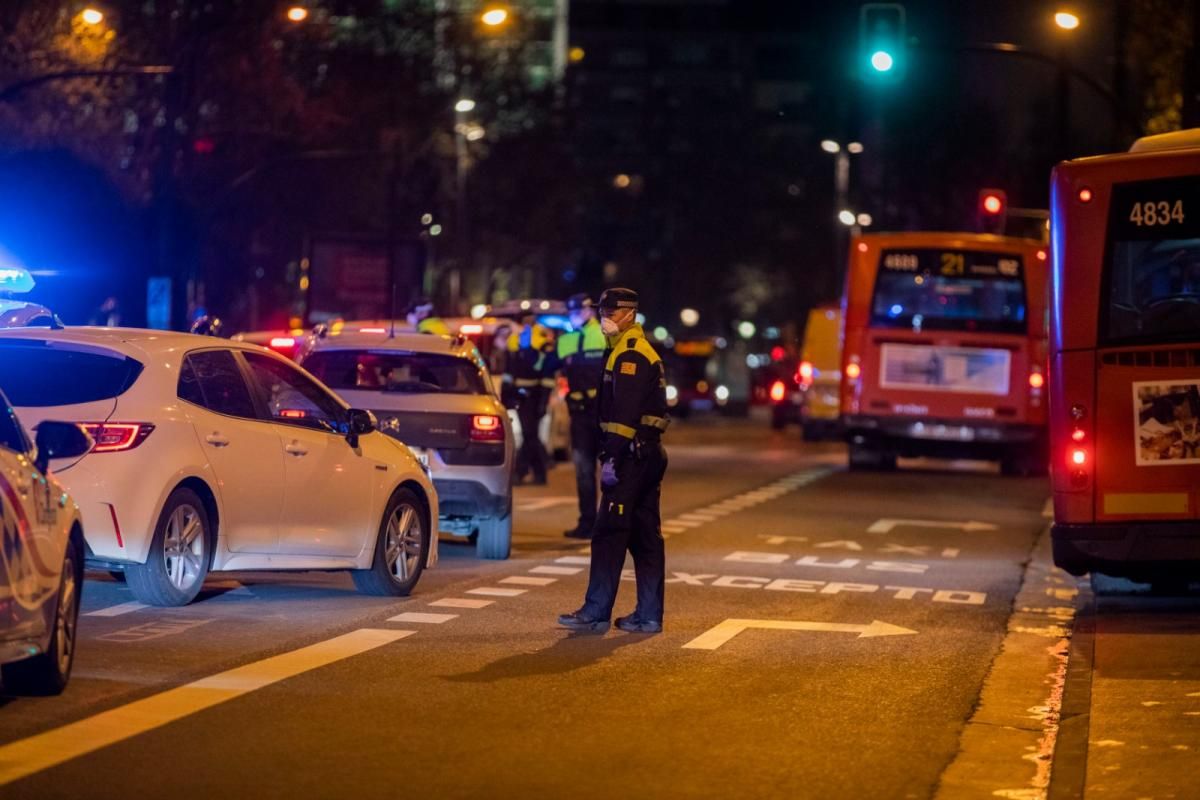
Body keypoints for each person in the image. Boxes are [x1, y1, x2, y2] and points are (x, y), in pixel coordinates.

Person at [558, 288, 669, 634]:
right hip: (644, 454)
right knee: (646, 536)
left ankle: (595, 611)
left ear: (629, 314)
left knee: (608, 533)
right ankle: (648, 615)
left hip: (631, 457)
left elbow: (624, 416)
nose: (604, 318)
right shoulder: (623, 349)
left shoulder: (631, 355)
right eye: (603, 311)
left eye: (610, 312)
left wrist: (611, 460)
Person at [557, 294, 607, 539]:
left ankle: (600, 523)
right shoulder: (567, 339)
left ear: (589, 311)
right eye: (571, 312)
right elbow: (548, 367)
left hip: (601, 412)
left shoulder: (604, 336)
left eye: (576, 311)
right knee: (586, 470)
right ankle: (590, 523)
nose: (572, 316)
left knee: (602, 470)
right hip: (583, 413)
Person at [505, 313, 557, 485]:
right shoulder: (517, 340)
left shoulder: (539, 340)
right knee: (530, 434)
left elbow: (547, 372)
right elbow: (510, 369)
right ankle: (536, 471)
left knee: (529, 434)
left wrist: (543, 398)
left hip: (533, 395)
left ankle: (524, 471)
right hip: (527, 394)